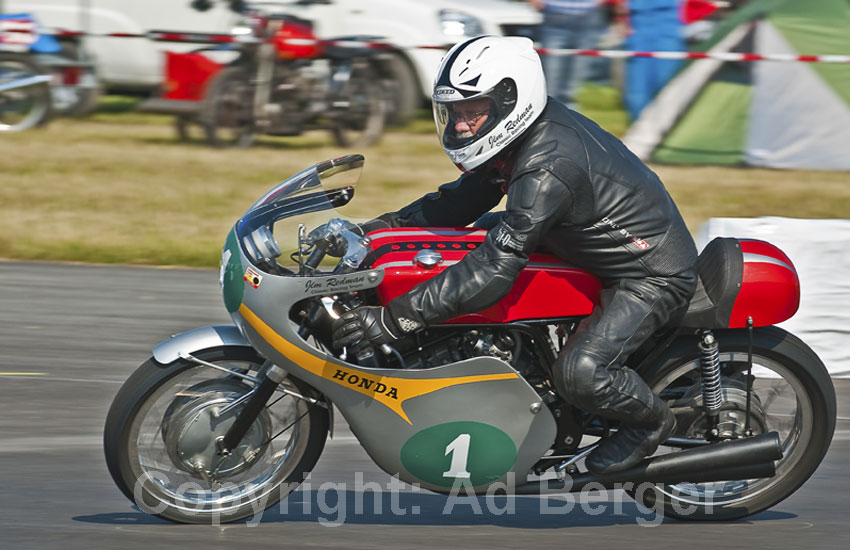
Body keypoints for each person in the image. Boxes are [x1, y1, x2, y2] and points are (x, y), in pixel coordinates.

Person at [331, 35, 698, 474]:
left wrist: (394, 321)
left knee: (580, 372)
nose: (462, 125)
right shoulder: (517, 140)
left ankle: (650, 425)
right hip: (578, 245)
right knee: (462, 245)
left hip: (648, 273)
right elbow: (454, 204)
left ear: (511, 100)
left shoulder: (546, 166)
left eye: (473, 111)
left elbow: (494, 269)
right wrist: (374, 231)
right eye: (455, 113)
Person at [528, 0, 606, 111]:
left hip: (589, 15)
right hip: (555, 14)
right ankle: (548, 119)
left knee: (573, 86)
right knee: (550, 85)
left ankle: (568, 120)